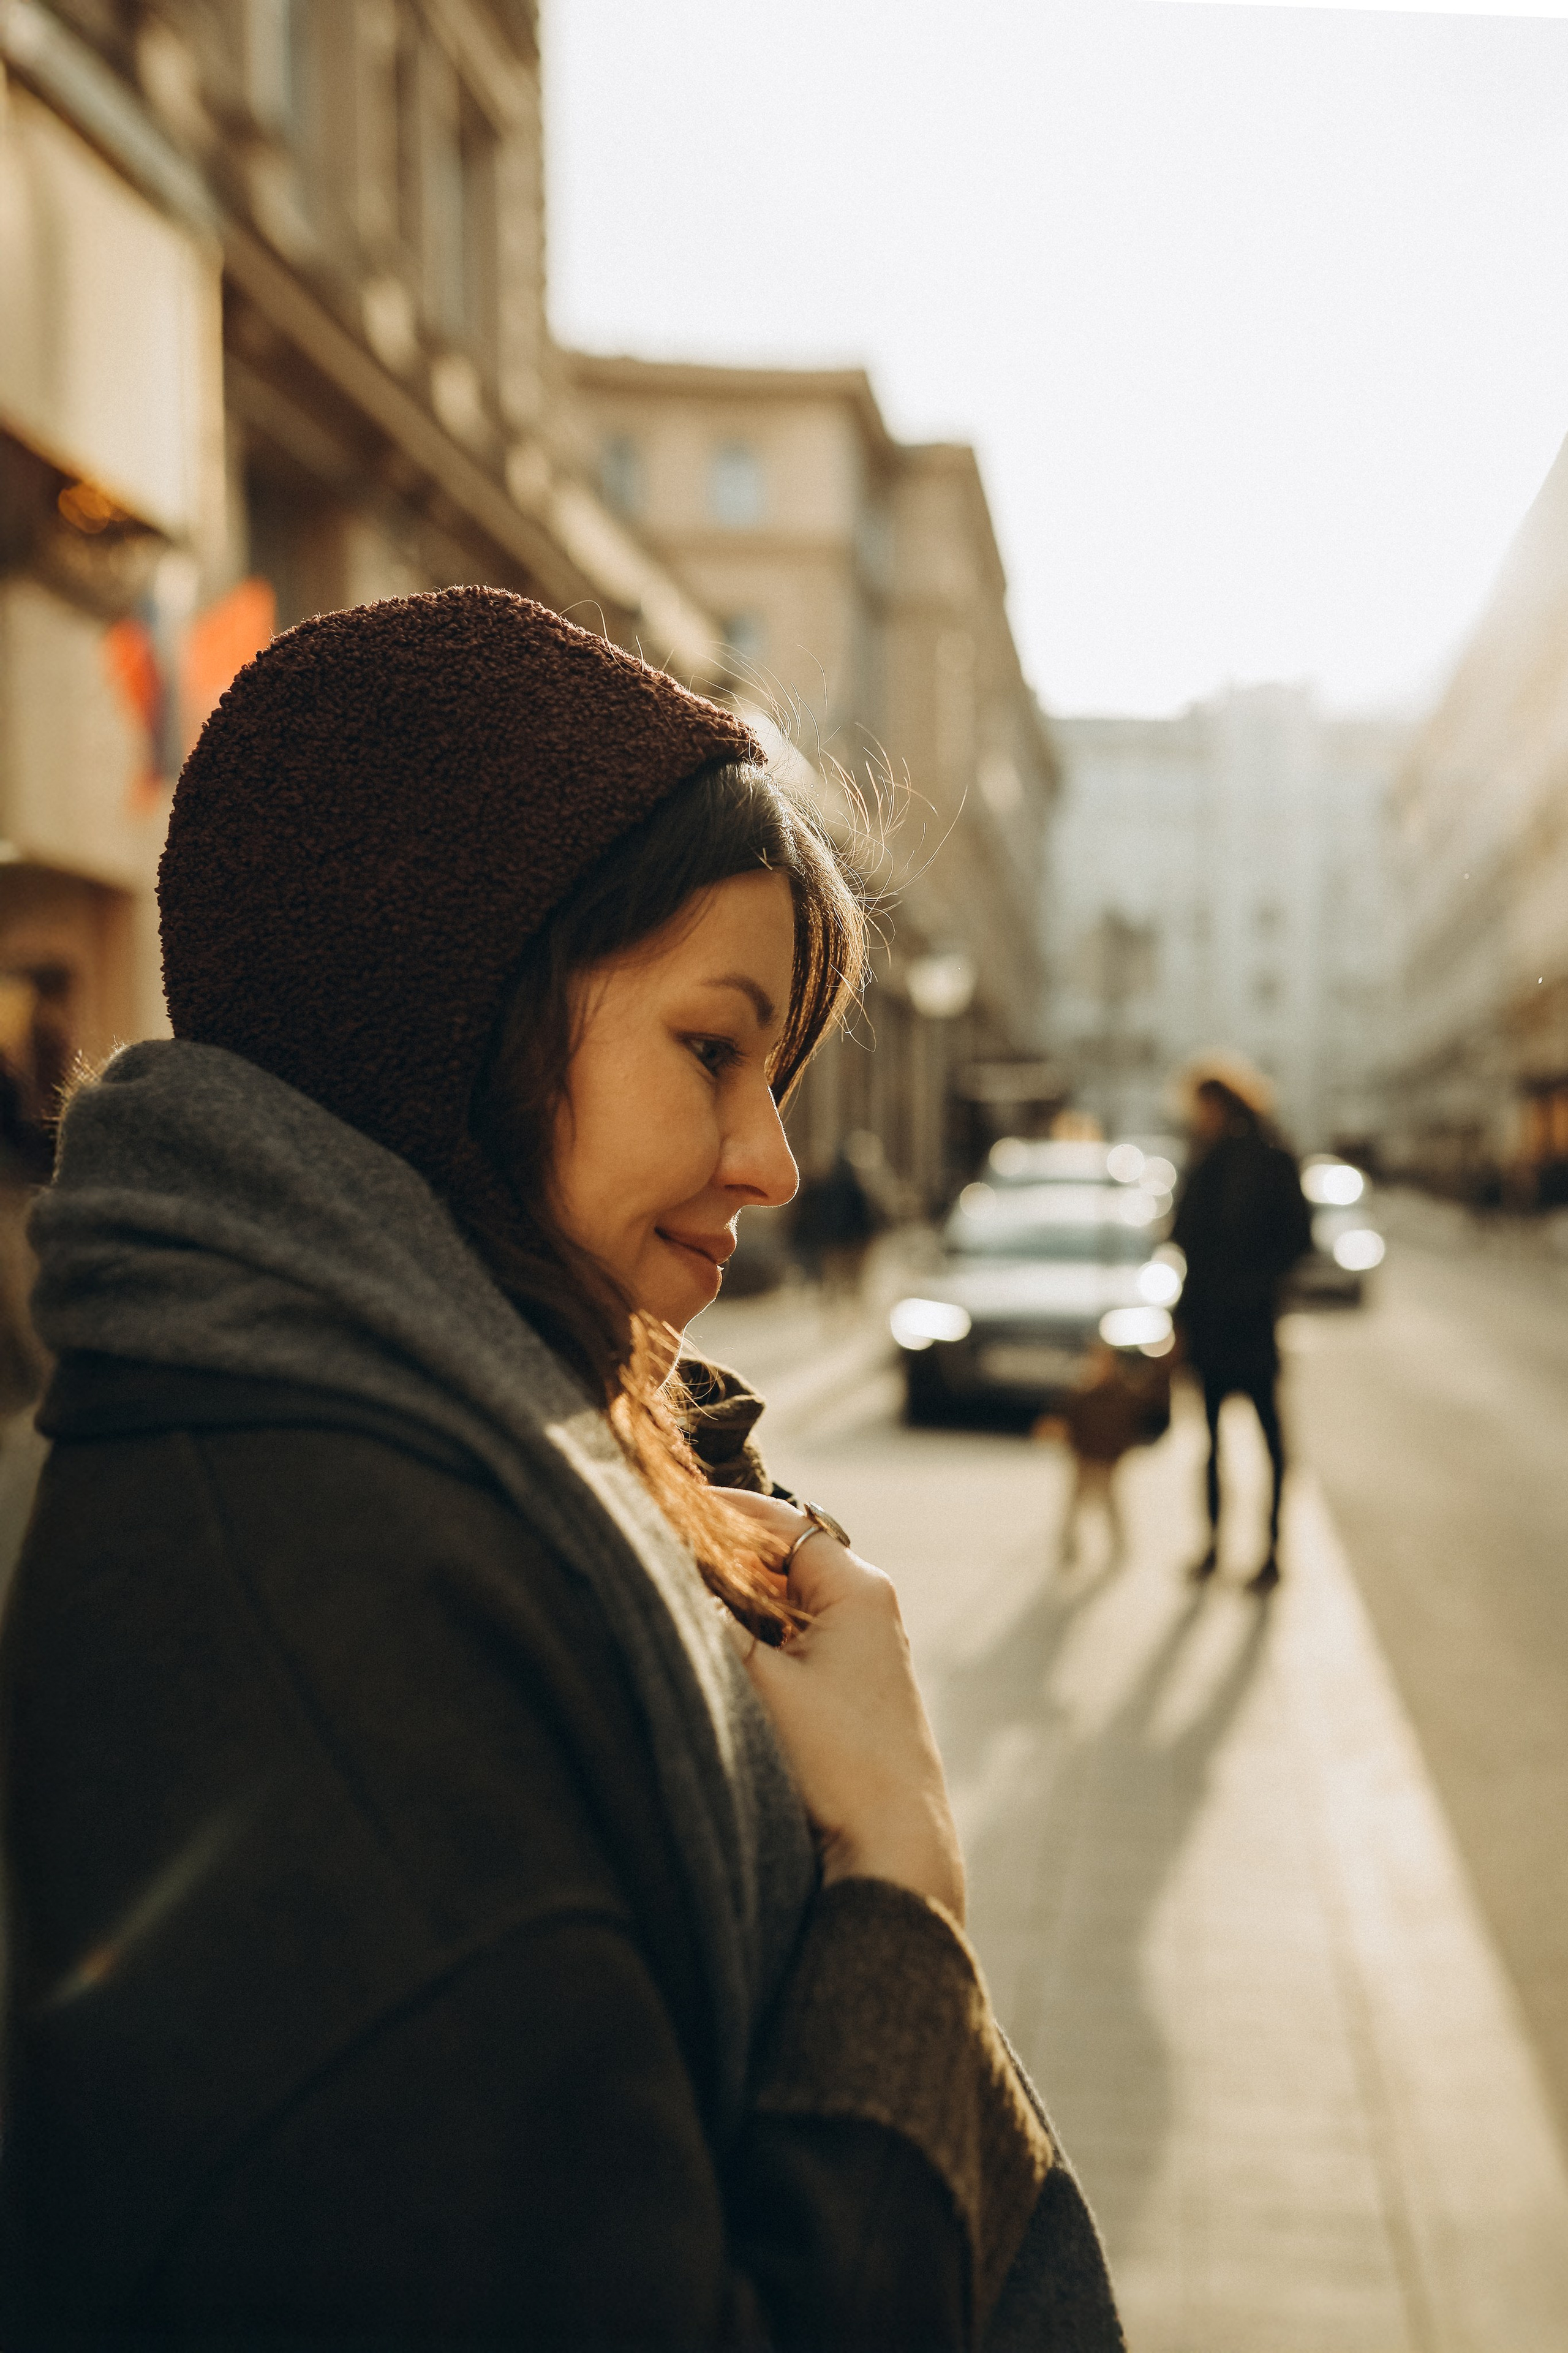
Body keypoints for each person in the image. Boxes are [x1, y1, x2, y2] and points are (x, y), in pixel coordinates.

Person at [0, 590, 1123, 2351]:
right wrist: (895, 1879)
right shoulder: (337, 1617)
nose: (770, 1156)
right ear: (443, 1008)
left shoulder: (488, 1471)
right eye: (712, 1047)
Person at [1172, 1065, 1312, 1596]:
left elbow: (1297, 1238)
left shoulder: (1267, 1158)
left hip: (1244, 1323)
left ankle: (1269, 1549)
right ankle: (1218, 1545)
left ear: (1224, 1104)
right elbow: (1183, 1239)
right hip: (1220, 1322)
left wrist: (1254, 1285)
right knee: (1215, 1443)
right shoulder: (1209, 1158)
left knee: (1266, 1443)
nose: (1198, 1116)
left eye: (1203, 1106)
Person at [1054, 1341, 1172, 1568]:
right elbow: (1066, 1421)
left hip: (1109, 1458)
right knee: (1076, 1501)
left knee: (1110, 1501)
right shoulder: (1081, 1395)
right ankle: (1069, 1542)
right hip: (1085, 1457)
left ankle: (1118, 1543)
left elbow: (1140, 1418)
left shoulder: (1125, 1396)